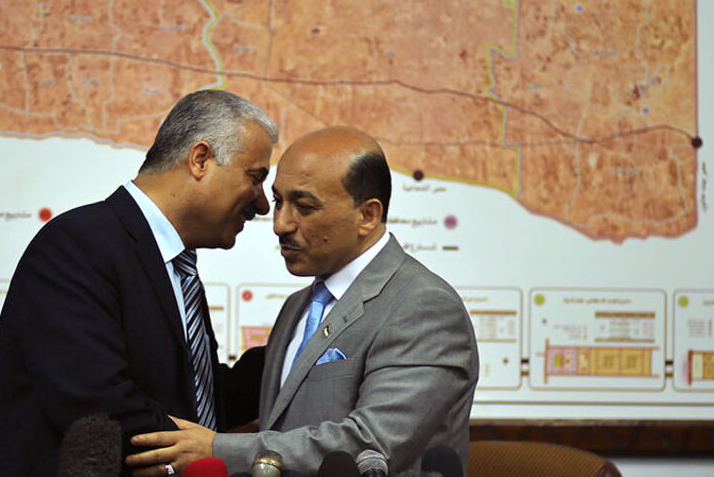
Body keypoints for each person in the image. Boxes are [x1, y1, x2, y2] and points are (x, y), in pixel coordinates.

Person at [0, 90, 277, 477]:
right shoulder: (79, 244)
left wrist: (301, 347)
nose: (262, 205)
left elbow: (190, 397)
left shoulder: (174, 263)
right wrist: (217, 454)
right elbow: (97, 404)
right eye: (255, 178)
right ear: (201, 159)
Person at [126, 126, 479, 476]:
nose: (280, 224)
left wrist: (217, 449)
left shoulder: (424, 306)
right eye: (279, 201)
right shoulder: (298, 306)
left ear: (368, 216)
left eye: (305, 207)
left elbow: (373, 443)